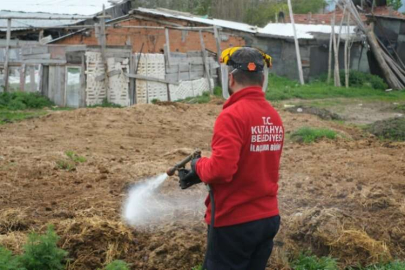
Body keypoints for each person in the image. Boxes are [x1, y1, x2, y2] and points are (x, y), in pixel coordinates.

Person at [179, 47, 284, 270]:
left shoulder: (232, 116)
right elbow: (252, 163)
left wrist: (199, 165)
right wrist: (203, 173)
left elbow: (221, 170)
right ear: (262, 79)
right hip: (267, 219)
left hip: (235, 223)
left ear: (230, 79)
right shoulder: (273, 116)